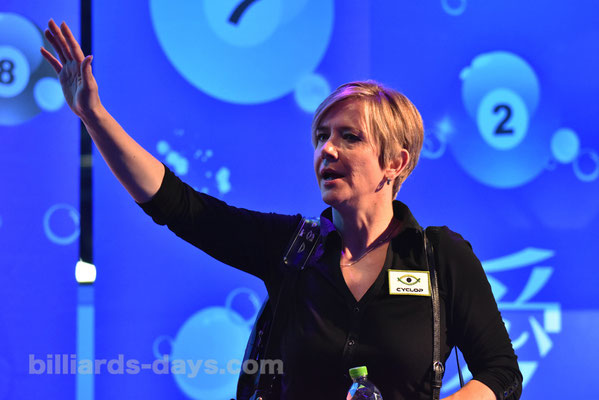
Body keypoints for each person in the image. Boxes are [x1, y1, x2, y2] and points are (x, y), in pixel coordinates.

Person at [41, 19, 522, 400]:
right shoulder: (293, 248)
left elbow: (501, 372)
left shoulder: (439, 257)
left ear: (395, 162)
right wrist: (93, 116)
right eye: (321, 137)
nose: (326, 150)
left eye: (349, 137)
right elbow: (178, 206)